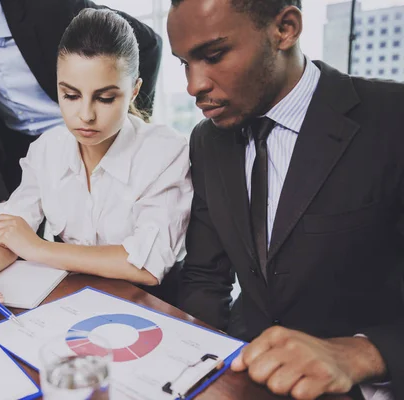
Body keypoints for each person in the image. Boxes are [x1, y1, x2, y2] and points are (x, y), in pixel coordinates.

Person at [168, 0, 404, 398]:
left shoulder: (393, 120)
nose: (194, 85)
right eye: (184, 64)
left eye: (213, 56)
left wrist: (362, 354)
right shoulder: (207, 141)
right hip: (245, 373)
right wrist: (193, 368)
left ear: (286, 28)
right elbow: (206, 276)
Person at [0, 8, 193, 316]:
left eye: (105, 98)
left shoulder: (166, 151)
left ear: (134, 91)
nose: (86, 115)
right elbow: (10, 229)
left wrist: (38, 249)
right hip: (73, 306)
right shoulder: (47, 150)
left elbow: (147, 265)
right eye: (71, 96)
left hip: (153, 310)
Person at [0, 0, 162, 200]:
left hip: (81, 140)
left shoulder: (48, 6)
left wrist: (125, 121)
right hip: (14, 150)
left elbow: (147, 43)